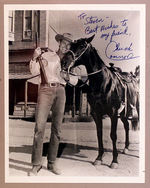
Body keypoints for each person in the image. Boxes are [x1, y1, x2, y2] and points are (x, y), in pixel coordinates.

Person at [28, 33, 77, 176]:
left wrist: (66, 76)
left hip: (61, 91)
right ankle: (36, 165)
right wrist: (34, 57)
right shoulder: (48, 56)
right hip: (45, 89)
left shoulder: (71, 61)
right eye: (64, 43)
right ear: (59, 43)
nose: (65, 46)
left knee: (57, 129)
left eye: (69, 45)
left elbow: (75, 81)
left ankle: (51, 163)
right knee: (39, 127)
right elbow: (34, 70)